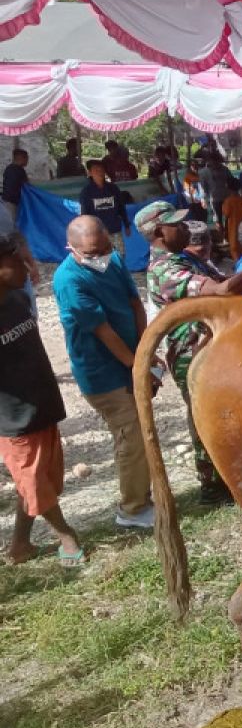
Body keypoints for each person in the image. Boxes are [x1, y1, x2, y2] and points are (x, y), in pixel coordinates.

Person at [144, 212, 242, 505]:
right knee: (203, 418)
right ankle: (211, 488)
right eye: (177, 224)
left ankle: (229, 478)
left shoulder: (187, 260)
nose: (185, 228)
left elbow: (228, 285)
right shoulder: (165, 269)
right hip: (191, 351)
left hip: (210, 347)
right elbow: (224, 290)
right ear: (159, 230)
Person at [52, 215, 157, 528]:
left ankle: (144, 496)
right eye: (91, 254)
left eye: (104, 249)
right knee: (131, 435)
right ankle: (133, 510)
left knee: (140, 430)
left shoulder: (113, 260)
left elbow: (134, 303)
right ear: (70, 248)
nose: (99, 258)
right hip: (102, 373)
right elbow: (104, 331)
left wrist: (145, 352)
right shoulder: (69, 280)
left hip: (130, 359)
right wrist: (138, 365)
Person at [0, 233, 84, 567]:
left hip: (43, 406)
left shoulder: (18, 301)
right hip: (14, 419)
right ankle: (67, 536)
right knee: (35, 483)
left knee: (41, 481)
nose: (27, 267)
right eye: (16, 261)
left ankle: (20, 545)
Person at [79, 159, 130, 257]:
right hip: (98, 232)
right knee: (102, 258)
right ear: (89, 173)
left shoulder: (113, 188)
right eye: (96, 170)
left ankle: (119, 272)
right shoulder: (86, 192)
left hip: (115, 229)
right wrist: (86, 232)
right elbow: (84, 214)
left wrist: (126, 224)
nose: (100, 172)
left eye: (101, 169)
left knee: (120, 256)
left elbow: (121, 207)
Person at [221, 182, 242, 259]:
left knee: (234, 248)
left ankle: (239, 266)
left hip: (234, 228)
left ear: (229, 190)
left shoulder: (228, 201)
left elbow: (226, 214)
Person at [2, 149, 29, 220]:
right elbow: (11, 189)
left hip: (12, 201)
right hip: (12, 202)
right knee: (14, 223)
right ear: (20, 158)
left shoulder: (14, 169)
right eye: (26, 158)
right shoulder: (15, 171)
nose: (27, 160)